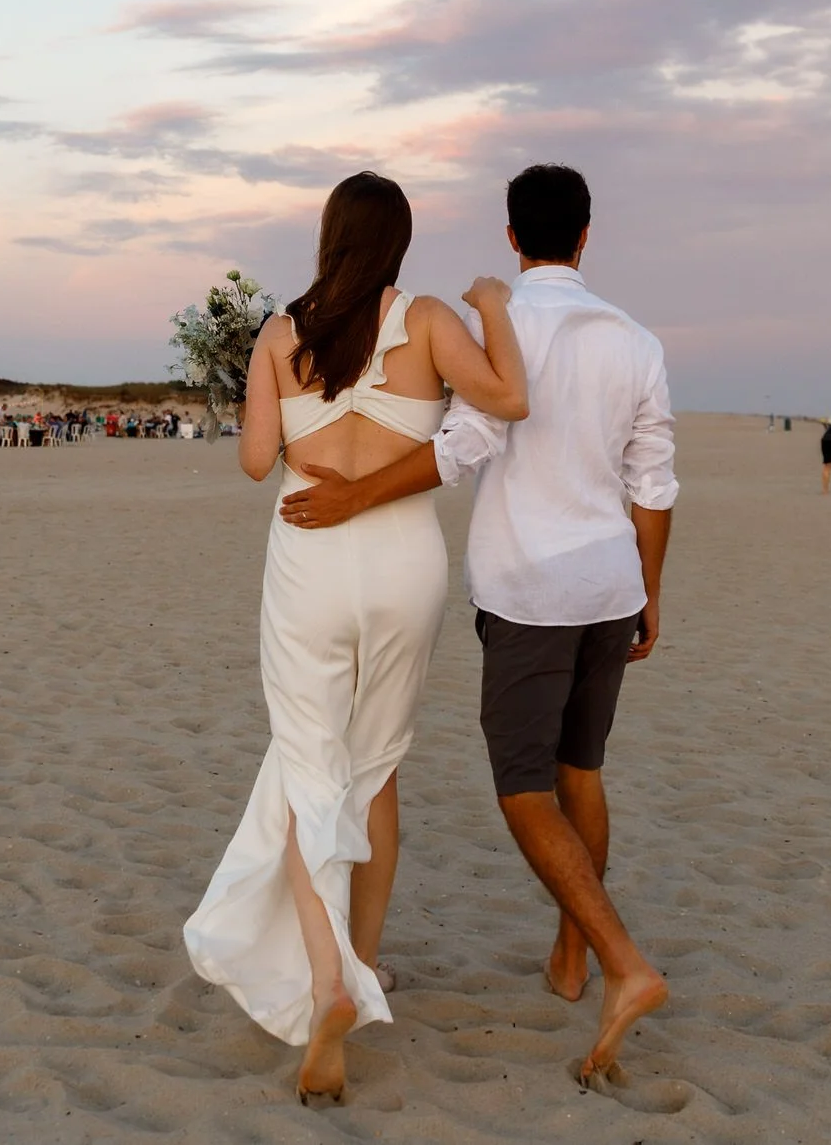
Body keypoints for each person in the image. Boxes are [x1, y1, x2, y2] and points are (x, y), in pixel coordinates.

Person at [276, 163, 677, 1083]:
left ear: (510, 235)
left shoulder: (495, 326)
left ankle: (620, 962)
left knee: (523, 789)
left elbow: (464, 446)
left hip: (530, 590)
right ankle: (568, 957)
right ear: (585, 236)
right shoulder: (635, 340)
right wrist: (651, 587)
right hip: (612, 584)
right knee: (584, 770)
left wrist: (356, 497)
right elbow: (652, 479)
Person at [184, 171, 529, 1105]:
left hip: (307, 558)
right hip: (403, 562)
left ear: (329, 235)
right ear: (399, 242)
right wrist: (494, 307)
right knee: (375, 769)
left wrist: (280, 400)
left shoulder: (280, 332)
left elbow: (258, 460)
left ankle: (327, 981)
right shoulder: (422, 320)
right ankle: (360, 965)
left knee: (310, 765)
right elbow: (507, 398)